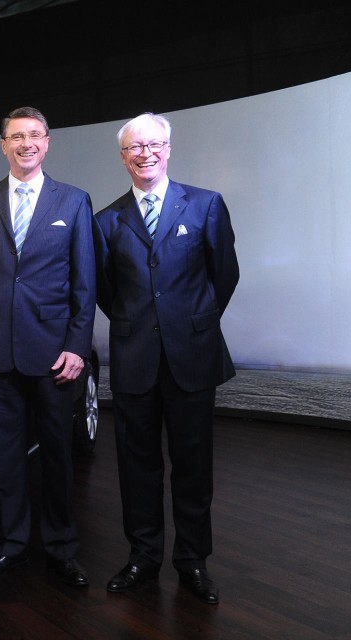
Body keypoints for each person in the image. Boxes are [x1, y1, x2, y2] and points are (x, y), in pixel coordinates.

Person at [92, 112, 239, 604]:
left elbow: (225, 275)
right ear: (123, 157)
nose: (146, 154)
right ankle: (143, 557)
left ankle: (193, 561)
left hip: (191, 357)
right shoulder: (106, 221)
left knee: (193, 465)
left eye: (154, 144)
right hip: (134, 358)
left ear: (169, 149)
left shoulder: (205, 205)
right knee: (137, 465)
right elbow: (106, 291)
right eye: (135, 147)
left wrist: (191, 322)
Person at [0, 106, 96, 586]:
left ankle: (62, 548)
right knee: (7, 458)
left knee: (57, 456)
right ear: (3, 146)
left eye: (35, 135)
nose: (26, 144)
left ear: (47, 142)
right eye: (17, 136)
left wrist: (78, 345)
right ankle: (12, 545)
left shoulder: (74, 201)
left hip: (55, 355)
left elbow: (85, 283)